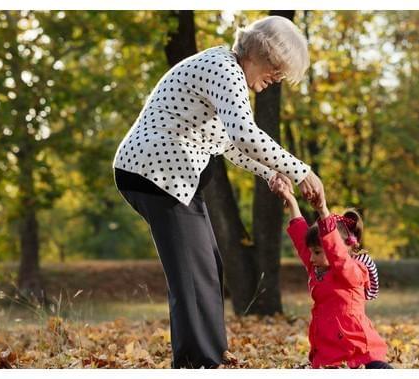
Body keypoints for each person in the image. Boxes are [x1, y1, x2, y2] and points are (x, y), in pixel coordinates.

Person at [112, 15, 324, 368]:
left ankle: (210, 358)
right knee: (194, 275)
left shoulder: (226, 71)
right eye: (277, 69)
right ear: (262, 52)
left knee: (207, 267)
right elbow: (244, 134)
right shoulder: (223, 68)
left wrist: (270, 173)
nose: (276, 79)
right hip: (156, 173)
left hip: (171, 178)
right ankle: (201, 364)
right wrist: (300, 170)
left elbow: (228, 143)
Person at [271, 177, 392, 369]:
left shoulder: (353, 271)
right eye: (312, 252)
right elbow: (300, 237)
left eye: (317, 252)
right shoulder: (317, 267)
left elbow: (338, 257)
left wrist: (323, 211)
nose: (311, 258)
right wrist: (290, 200)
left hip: (359, 353)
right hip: (328, 355)